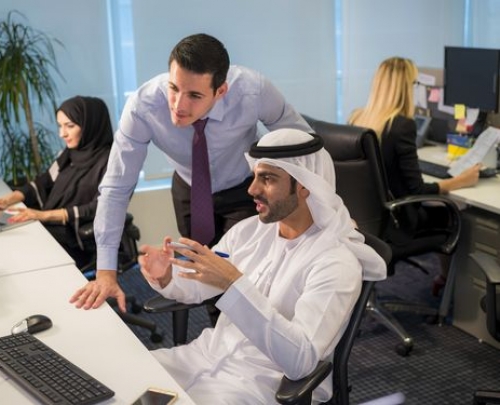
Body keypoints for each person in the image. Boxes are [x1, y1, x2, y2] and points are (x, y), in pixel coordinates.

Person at [134, 128, 386, 404]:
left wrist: (234, 285)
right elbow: (204, 280)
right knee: (122, 374)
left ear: (305, 186)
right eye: (255, 176)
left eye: (267, 179)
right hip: (204, 355)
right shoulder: (247, 231)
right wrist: (168, 276)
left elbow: (300, 360)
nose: (252, 189)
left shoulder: (335, 262)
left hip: (259, 383)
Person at [70, 33, 312, 313]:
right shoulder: (143, 106)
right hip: (189, 189)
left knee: (241, 277)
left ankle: (247, 336)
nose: (178, 105)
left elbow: (305, 144)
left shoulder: (252, 91)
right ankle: (219, 334)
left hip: (243, 187)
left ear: (221, 91)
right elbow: (116, 187)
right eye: (174, 88)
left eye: (195, 95)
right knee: (202, 278)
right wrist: (105, 272)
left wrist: (326, 210)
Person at [347, 56, 480, 293]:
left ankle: (443, 280)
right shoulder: (402, 126)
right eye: (415, 83)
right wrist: (460, 181)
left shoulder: (357, 118)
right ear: (407, 87)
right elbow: (417, 190)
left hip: (365, 221)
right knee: (450, 214)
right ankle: (446, 282)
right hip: (398, 225)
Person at [0, 96, 114, 269]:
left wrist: (43, 215)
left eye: (70, 126)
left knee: (17, 254)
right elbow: (44, 181)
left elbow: (100, 208)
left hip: (76, 240)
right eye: (60, 126)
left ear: (90, 125)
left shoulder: (111, 164)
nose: (62, 134)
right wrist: (6, 200)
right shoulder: (69, 154)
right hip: (53, 228)